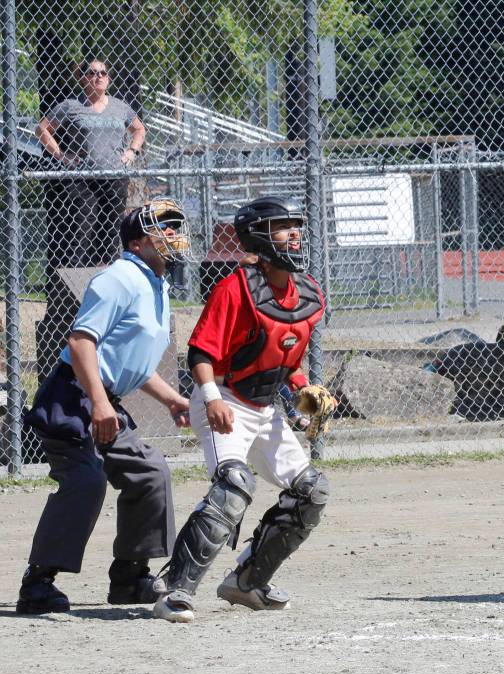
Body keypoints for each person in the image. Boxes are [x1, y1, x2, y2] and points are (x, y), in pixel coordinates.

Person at [153, 196, 335, 624]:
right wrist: (212, 398)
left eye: (296, 227)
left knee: (312, 490)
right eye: (282, 227)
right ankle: (176, 590)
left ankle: (248, 581)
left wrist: (304, 400)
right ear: (258, 236)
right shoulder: (235, 287)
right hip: (222, 397)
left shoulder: (308, 294)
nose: (294, 234)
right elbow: (201, 353)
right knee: (234, 483)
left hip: (263, 407)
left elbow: (286, 364)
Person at [17, 199, 193, 615]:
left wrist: (172, 400)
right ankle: (38, 583)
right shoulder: (119, 278)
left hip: (102, 399)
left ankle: (130, 577)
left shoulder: (156, 284)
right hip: (72, 396)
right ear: (136, 241)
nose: (173, 234)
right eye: (162, 229)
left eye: (175, 227)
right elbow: (81, 343)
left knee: (149, 472)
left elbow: (129, 360)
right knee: (86, 480)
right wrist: (98, 403)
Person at [36, 58, 146, 270]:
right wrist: (61, 155)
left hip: (114, 178)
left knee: (110, 233)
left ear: (108, 79)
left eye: (103, 73)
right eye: (92, 73)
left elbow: (139, 129)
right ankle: (79, 282)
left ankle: (108, 278)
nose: (98, 77)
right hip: (82, 180)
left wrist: (131, 151)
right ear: (83, 78)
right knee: (81, 231)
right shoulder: (71, 106)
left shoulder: (120, 107)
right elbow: (42, 130)